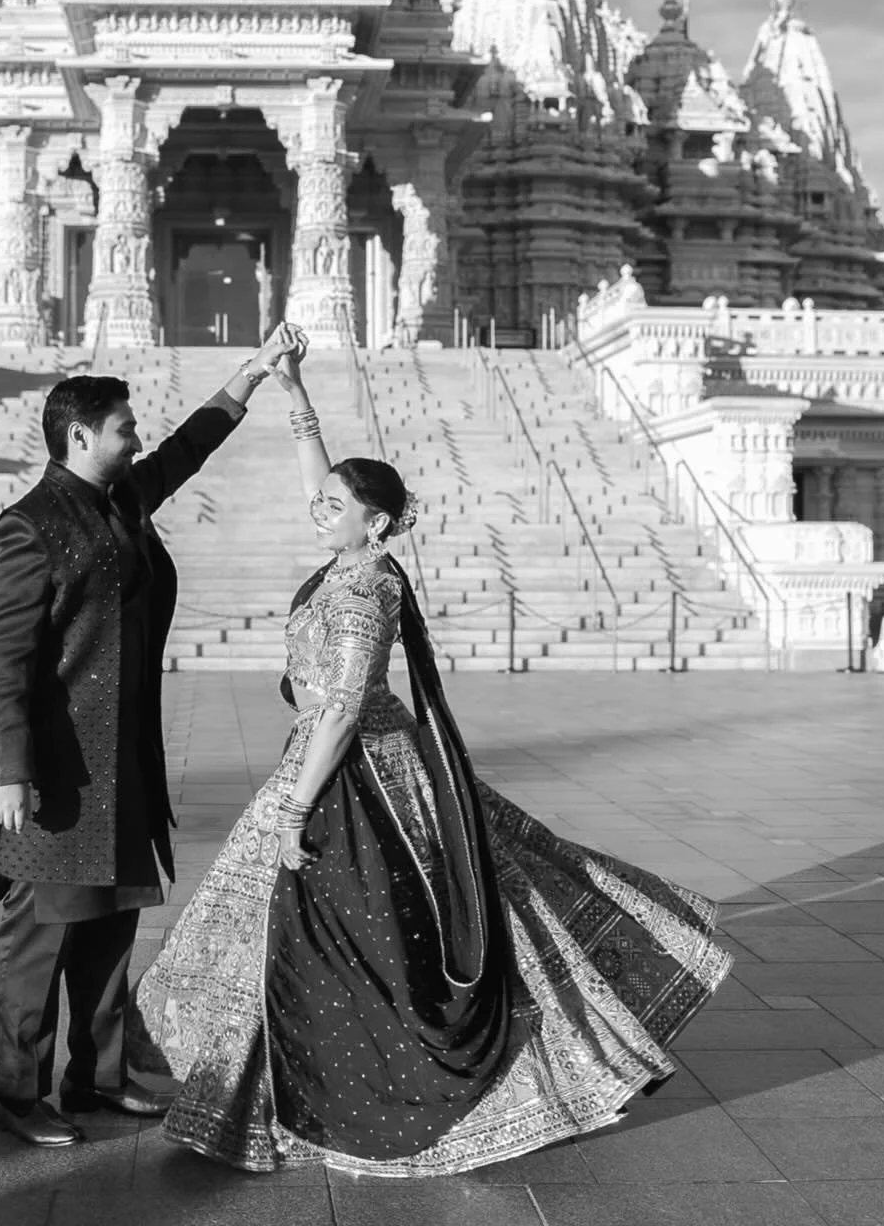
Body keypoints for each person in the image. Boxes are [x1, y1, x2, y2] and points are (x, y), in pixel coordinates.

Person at [129, 331, 733, 1176]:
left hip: (350, 769)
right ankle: (243, 1086)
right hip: (332, 756)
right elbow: (323, 479)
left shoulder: (366, 587)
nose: (318, 509)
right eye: (323, 501)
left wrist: (297, 805)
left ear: (372, 522)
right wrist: (290, 386)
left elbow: (342, 708)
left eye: (334, 506)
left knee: (354, 919)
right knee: (301, 917)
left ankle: (317, 1085)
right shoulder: (351, 557)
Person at [0, 326, 297, 1148]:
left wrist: (249, 377)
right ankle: (18, 1096)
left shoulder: (119, 498)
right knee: (38, 942)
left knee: (110, 934)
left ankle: (97, 1079)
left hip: (122, 764)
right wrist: (7, 769)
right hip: (54, 773)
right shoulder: (29, 525)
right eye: (124, 426)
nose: (137, 437)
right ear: (81, 434)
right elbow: (2, 656)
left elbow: (185, 451)